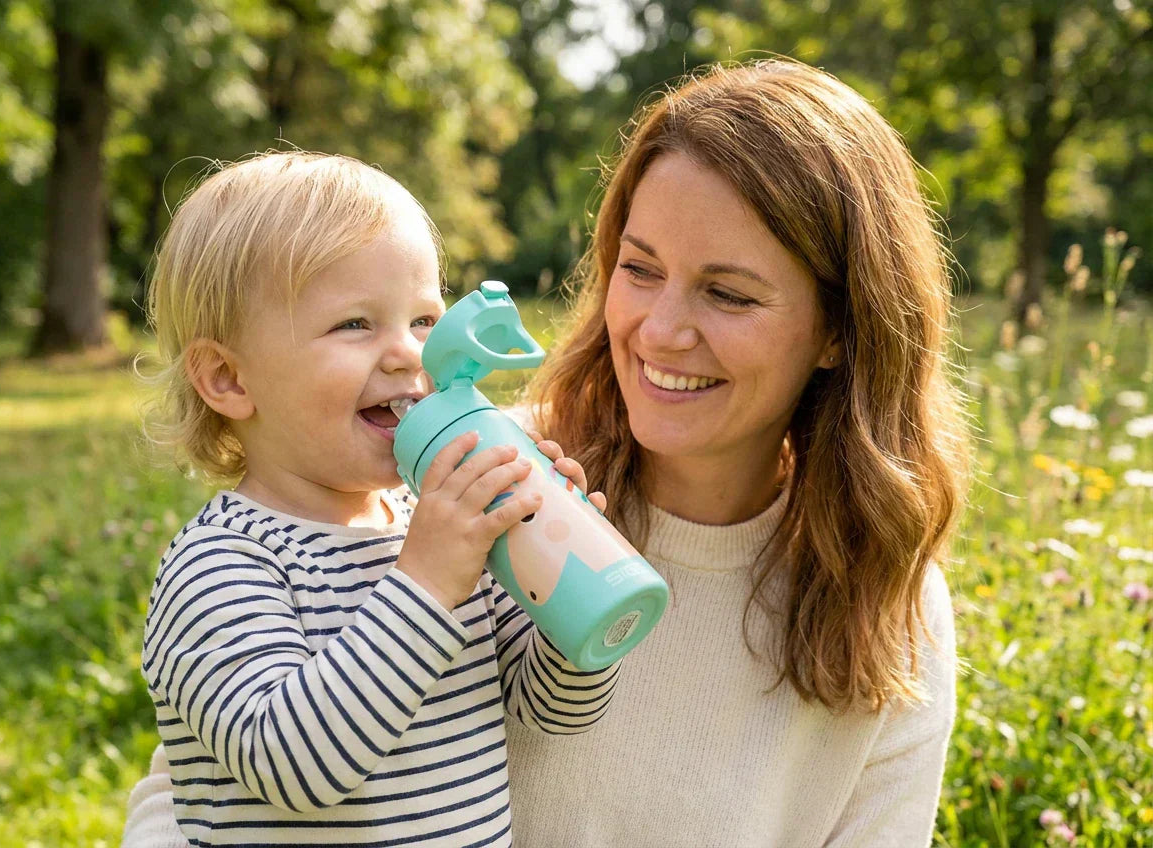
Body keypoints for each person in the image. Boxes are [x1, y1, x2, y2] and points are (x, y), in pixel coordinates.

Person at [125, 58, 968, 847]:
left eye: (728, 292)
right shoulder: (460, 498)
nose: (663, 331)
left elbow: (541, 703)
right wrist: (434, 575)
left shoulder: (889, 603)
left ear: (837, 329)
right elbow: (210, 775)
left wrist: (576, 619)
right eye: (640, 270)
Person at [134, 151, 619, 848]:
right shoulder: (222, 566)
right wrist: (424, 583)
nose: (411, 356)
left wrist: (573, 591)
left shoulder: (440, 533)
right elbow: (295, 766)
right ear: (229, 379)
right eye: (355, 324)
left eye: (424, 320)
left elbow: (547, 711)